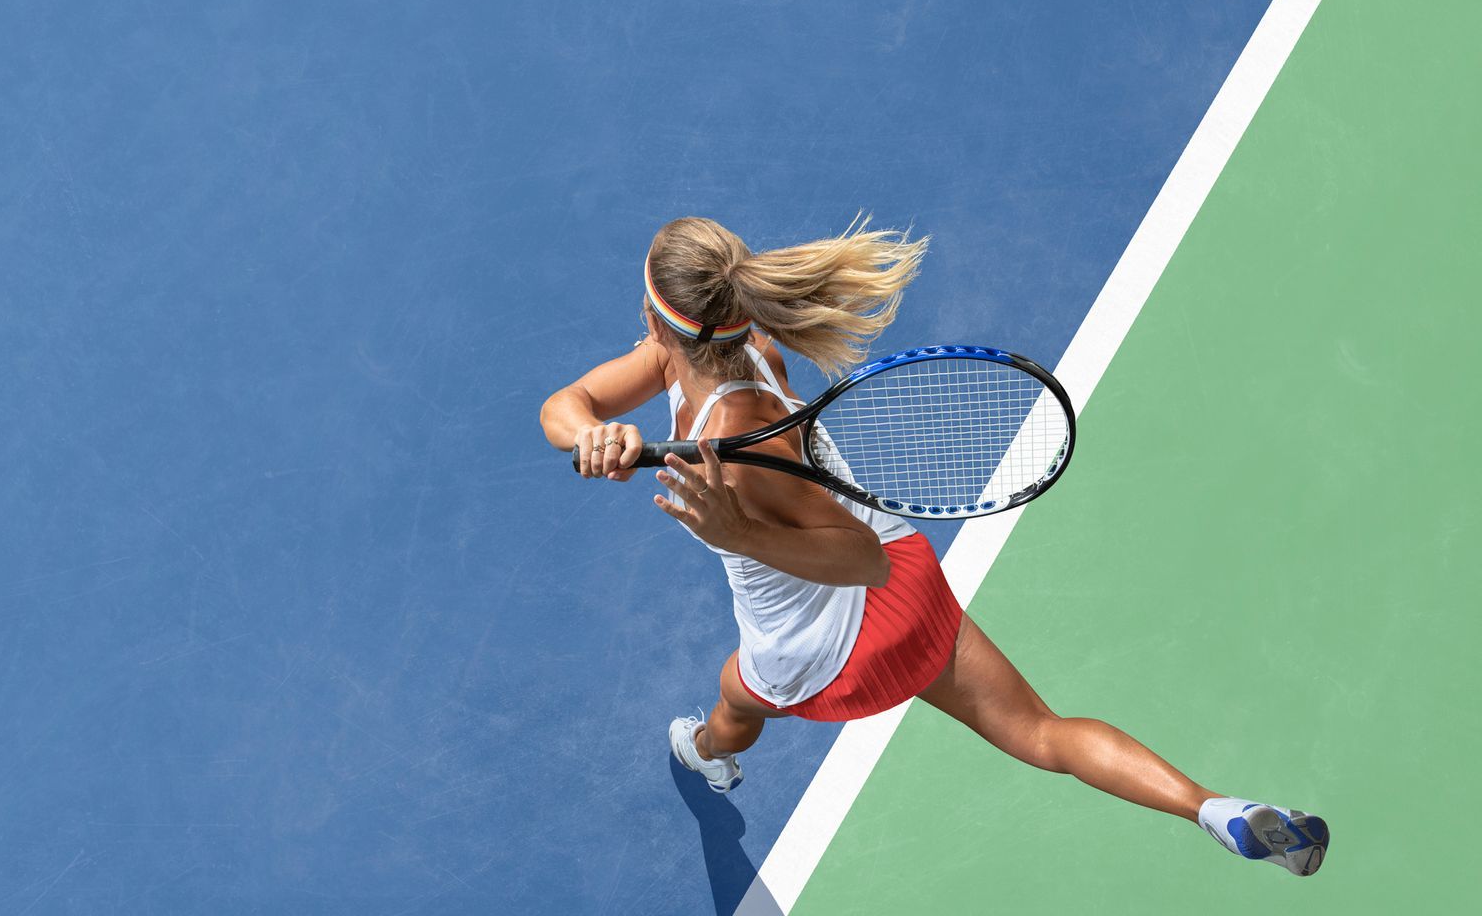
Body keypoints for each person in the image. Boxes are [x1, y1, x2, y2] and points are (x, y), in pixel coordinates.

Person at [538, 216, 1329, 876]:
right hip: (909, 591)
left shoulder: (734, 440)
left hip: (829, 643)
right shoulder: (742, 346)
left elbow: (857, 558)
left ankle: (710, 752)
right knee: (1041, 732)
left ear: (652, 319)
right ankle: (1214, 808)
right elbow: (563, 406)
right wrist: (595, 434)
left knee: (737, 693)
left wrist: (732, 532)